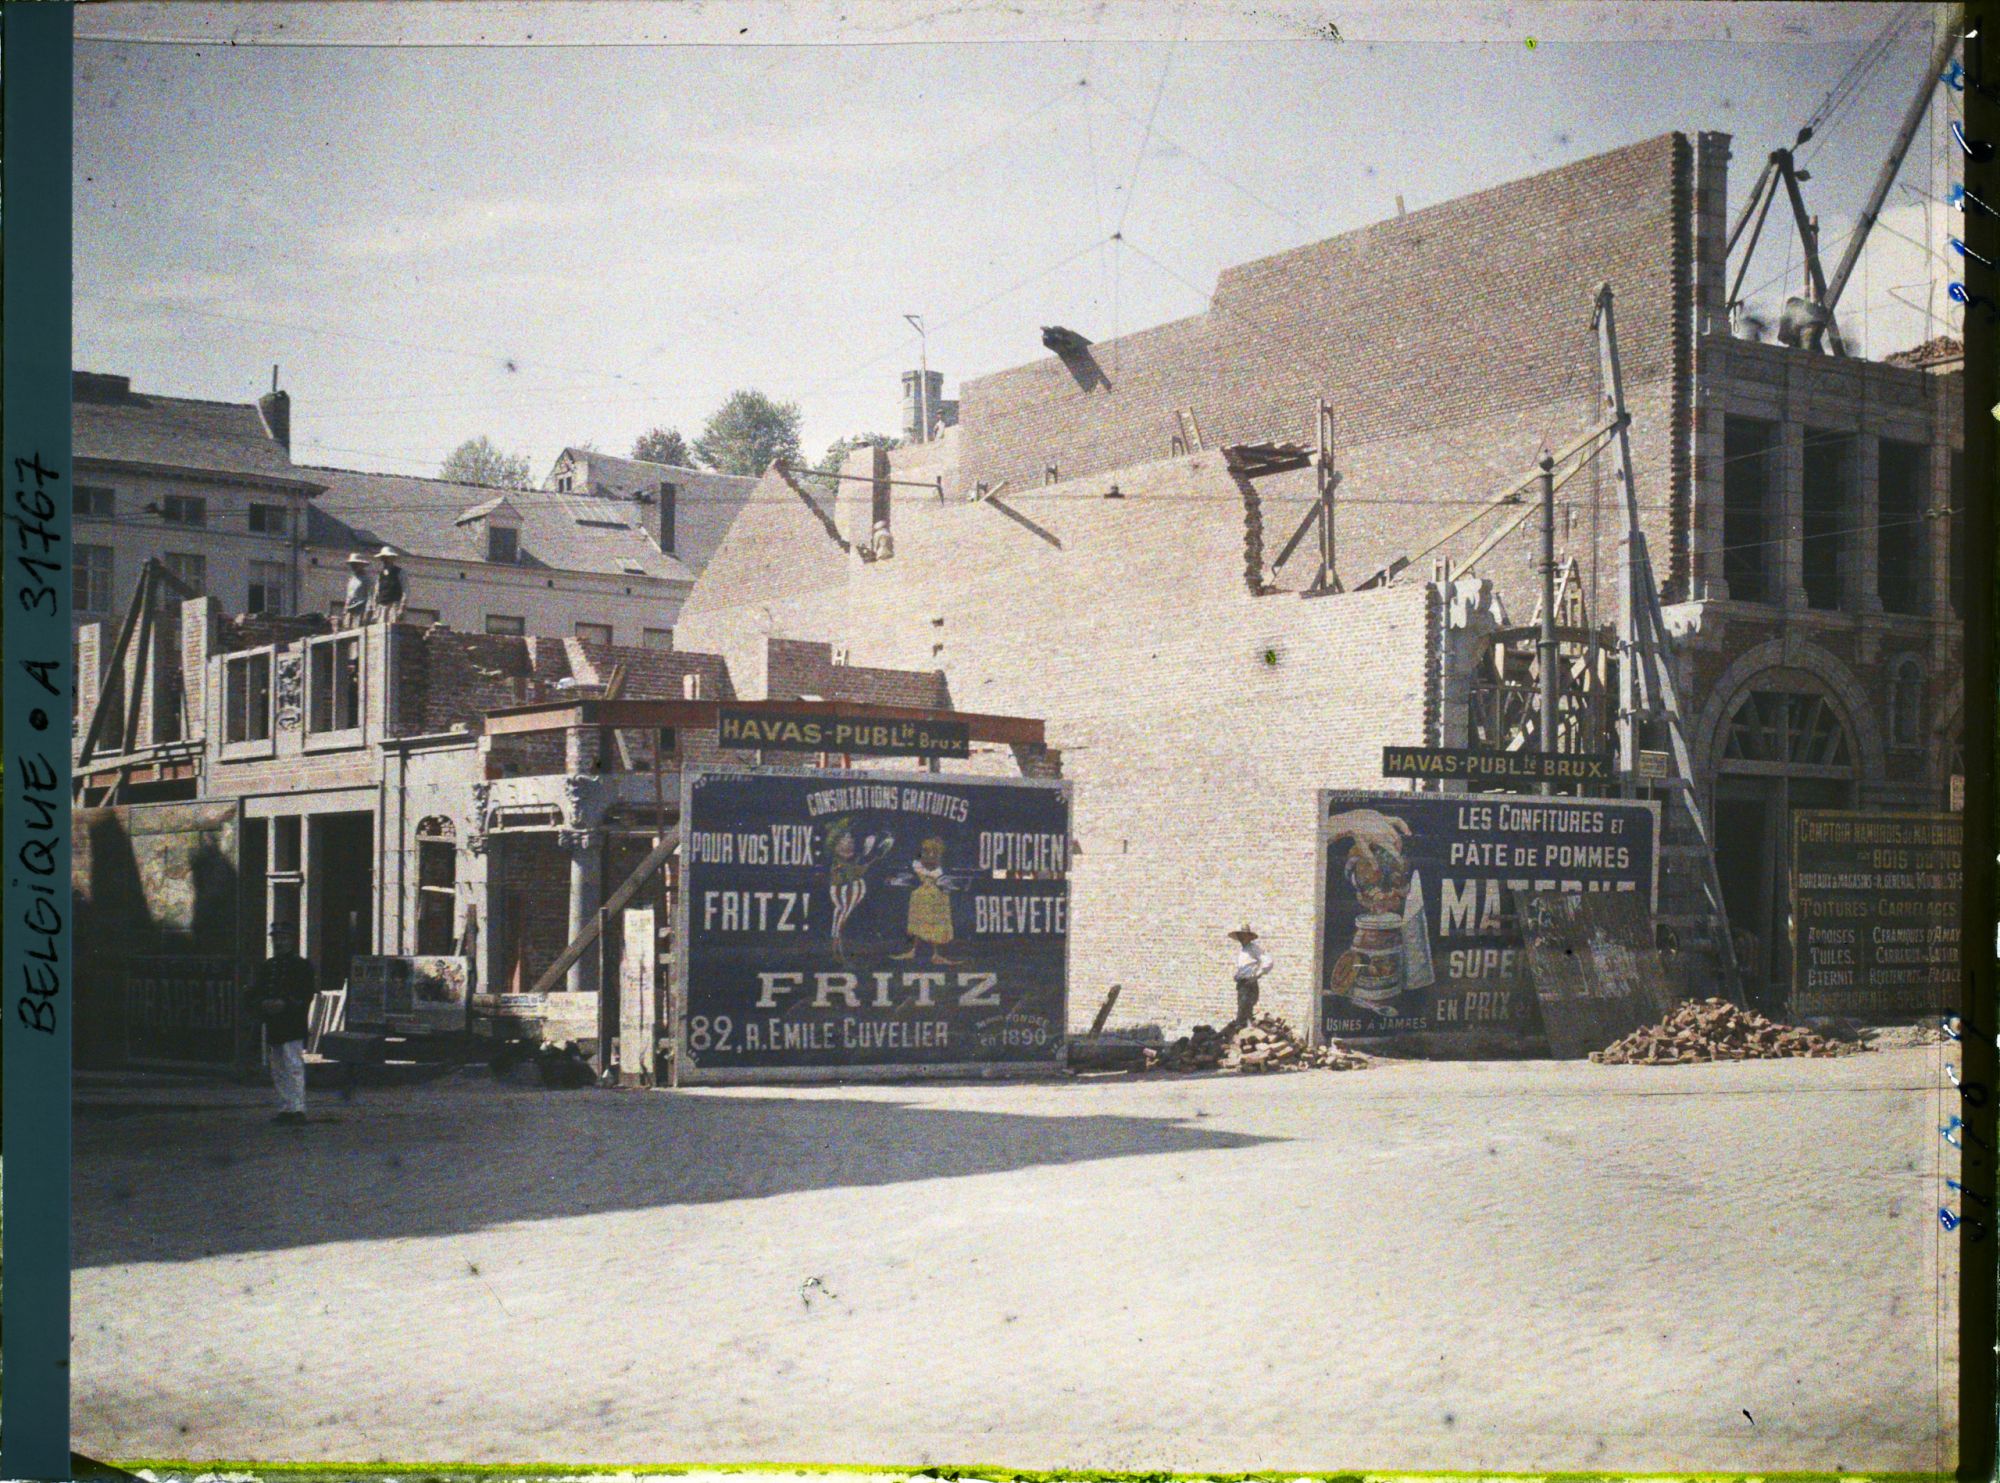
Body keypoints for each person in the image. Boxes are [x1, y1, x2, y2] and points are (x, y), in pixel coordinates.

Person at [254, 923, 317, 1125]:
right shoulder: (268, 966)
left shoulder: (302, 965)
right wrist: (263, 1003)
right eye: (276, 938)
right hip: (274, 1021)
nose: (279, 942)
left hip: (292, 1021)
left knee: (293, 1065)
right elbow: (257, 990)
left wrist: (286, 1003)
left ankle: (297, 1108)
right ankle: (285, 1107)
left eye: (283, 938)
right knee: (278, 1067)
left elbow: (306, 993)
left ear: (291, 940)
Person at [1228, 925, 1273, 1027]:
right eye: (1240, 936)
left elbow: (1268, 961)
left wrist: (1257, 974)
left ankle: (1243, 1026)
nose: (1241, 938)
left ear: (1249, 937)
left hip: (1249, 982)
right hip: (1242, 982)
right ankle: (1243, 1026)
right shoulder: (1243, 950)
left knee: (1245, 1005)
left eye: (1243, 935)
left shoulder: (1253, 948)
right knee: (1242, 1006)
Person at [370, 546, 406, 623]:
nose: (385, 560)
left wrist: (401, 608)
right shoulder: (380, 575)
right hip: (382, 607)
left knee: (393, 628)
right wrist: (374, 609)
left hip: (394, 606)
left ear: (392, 558)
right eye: (383, 558)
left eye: (387, 557)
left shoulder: (399, 572)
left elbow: (405, 591)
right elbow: (376, 593)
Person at [341, 552, 370, 630]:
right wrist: (345, 609)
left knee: (357, 631)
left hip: (360, 609)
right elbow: (349, 595)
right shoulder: (351, 579)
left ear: (361, 565)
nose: (353, 566)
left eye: (356, 564)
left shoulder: (366, 579)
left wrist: (367, 612)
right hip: (350, 609)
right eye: (352, 564)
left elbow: (370, 596)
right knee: (346, 630)